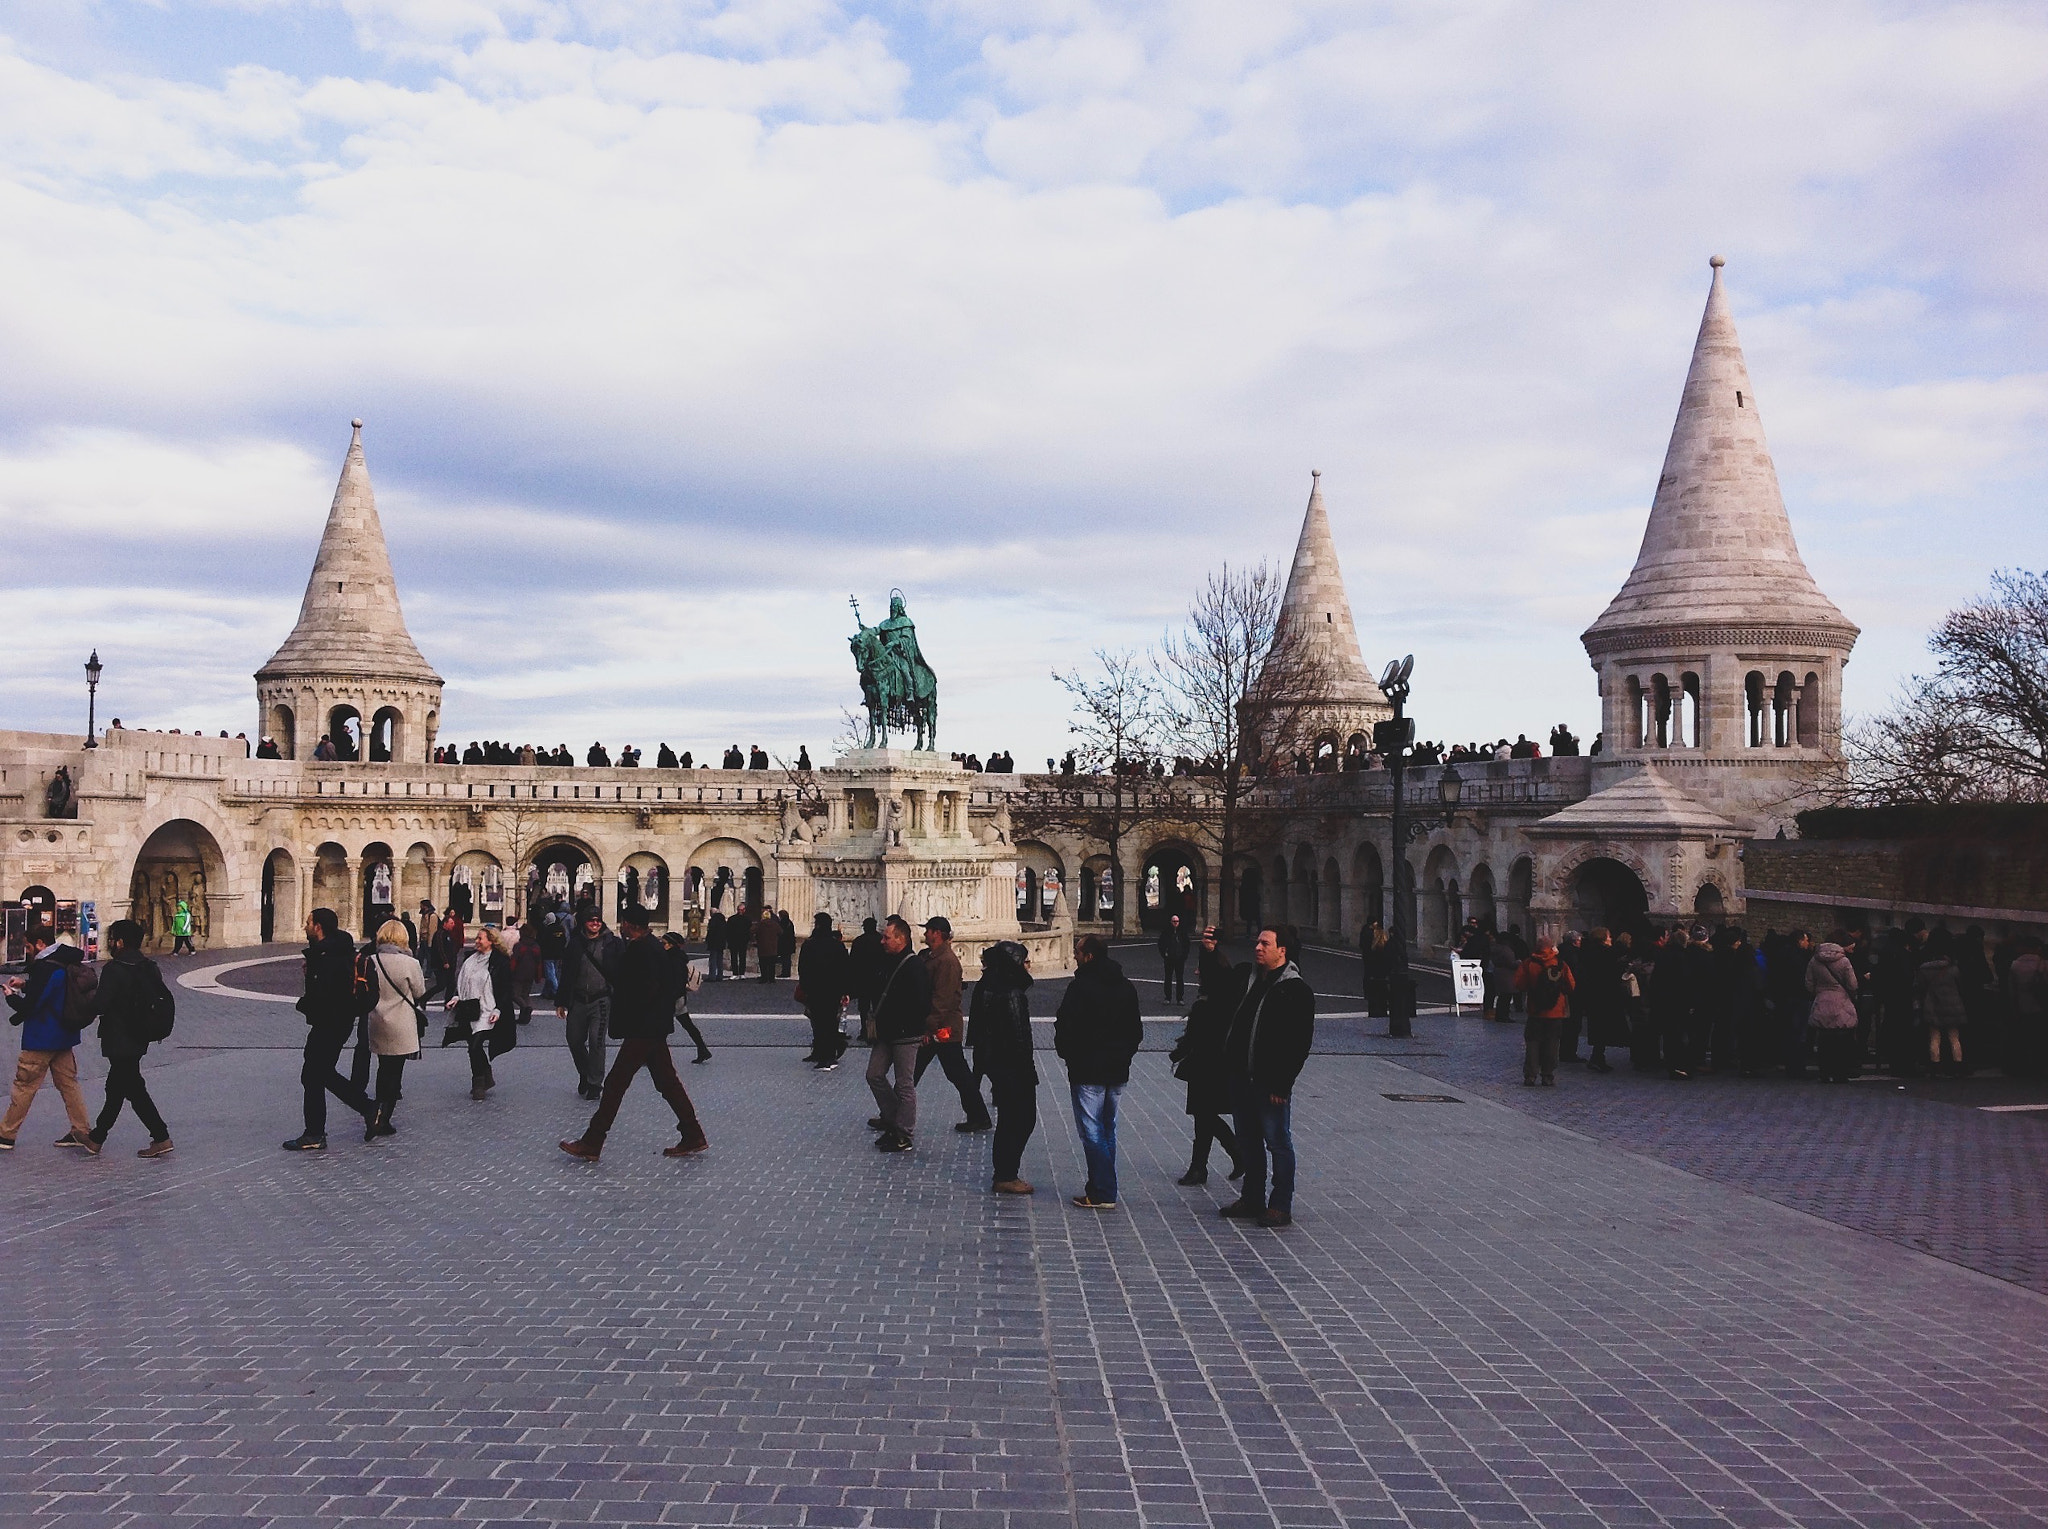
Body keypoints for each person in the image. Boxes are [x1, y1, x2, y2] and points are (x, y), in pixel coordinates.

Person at [559, 909, 709, 1162]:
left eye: (623, 923)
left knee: (616, 1083)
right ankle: (693, 1134)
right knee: (667, 1082)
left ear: (628, 924)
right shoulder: (653, 946)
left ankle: (593, 1141)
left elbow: (643, 989)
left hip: (644, 1028)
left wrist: (629, 1006)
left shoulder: (641, 950)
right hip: (654, 1027)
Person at [1218, 924, 1314, 1228]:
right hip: (1240, 1076)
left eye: (1265, 944)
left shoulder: (1295, 990)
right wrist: (1210, 953)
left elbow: (1299, 1043)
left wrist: (1282, 1083)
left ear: (1282, 951)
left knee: (1277, 1142)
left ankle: (1280, 1204)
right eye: (1257, 942)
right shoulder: (1251, 980)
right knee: (1248, 1141)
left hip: (1270, 1082)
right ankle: (1252, 1198)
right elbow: (1218, 983)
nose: (1258, 947)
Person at [1053, 933, 1143, 1210]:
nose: (1075, 957)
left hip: (1088, 1070)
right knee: (1107, 1129)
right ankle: (1101, 1187)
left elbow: (1065, 1025)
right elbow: (1135, 1031)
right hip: (1116, 1071)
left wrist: (1069, 1054)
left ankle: (1104, 1191)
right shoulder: (1126, 986)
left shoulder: (1080, 987)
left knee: (1092, 1131)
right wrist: (1123, 1056)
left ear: (1089, 956)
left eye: (1078, 952)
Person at [283, 909, 375, 1150]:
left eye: (308, 923)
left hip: (330, 1023)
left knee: (315, 1074)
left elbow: (326, 994)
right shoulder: (334, 951)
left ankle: (319, 1131)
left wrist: (305, 1003)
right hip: (335, 1022)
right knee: (316, 1074)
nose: (305, 927)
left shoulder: (328, 957)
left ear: (319, 927)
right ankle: (322, 1129)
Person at [2, 927, 96, 1151]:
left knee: (24, 1086)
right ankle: (81, 1130)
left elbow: (32, 1006)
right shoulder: (65, 959)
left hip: (41, 1037)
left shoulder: (44, 967)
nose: (28, 951)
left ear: (40, 943)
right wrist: (25, 984)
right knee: (69, 1085)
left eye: (28, 946)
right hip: (64, 1035)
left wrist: (11, 998)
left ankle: (6, 1134)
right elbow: (53, 989)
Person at [86, 919, 175, 1156]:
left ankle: (161, 1137)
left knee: (132, 1088)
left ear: (121, 942)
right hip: (140, 1036)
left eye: (113, 939)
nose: (112, 944)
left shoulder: (115, 969)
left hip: (118, 1037)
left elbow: (100, 1004)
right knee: (118, 1086)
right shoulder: (149, 966)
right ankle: (96, 1138)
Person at [1167, 925, 1240, 1186]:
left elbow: (1219, 974)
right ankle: (1201, 1167)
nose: (1196, 972)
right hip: (1208, 1065)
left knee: (1204, 1115)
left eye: (1201, 969)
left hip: (1209, 1066)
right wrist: (1208, 950)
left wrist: (1181, 1051)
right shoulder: (1215, 997)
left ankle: (1221, 1159)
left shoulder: (1216, 1001)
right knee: (1204, 1116)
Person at [968, 940, 1038, 1193]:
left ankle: (1005, 1171)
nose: (1028, 966)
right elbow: (1020, 1036)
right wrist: (1026, 1071)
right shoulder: (1012, 993)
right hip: (1013, 1067)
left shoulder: (988, 986)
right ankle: (1006, 1174)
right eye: (1025, 961)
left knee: (1010, 1118)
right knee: (1023, 1118)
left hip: (996, 1063)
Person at [915, 917, 992, 1130]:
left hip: (943, 1029)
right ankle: (893, 1112)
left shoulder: (946, 961)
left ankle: (979, 1116)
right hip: (941, 1027)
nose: (925, 934)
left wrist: (928, 1028)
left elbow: (943, 999)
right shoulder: (935, 957)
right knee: (918, 1070)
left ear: (938, 933)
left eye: (928, 930)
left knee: (955, 1072)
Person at [864, 916, 932, 1153]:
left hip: (906, 1034)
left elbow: (922, 1003)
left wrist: (909, 1023)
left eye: (886, 937)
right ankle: (894, 1119)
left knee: (904, 1084)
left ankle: (904, 1133)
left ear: (901, 939)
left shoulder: (914, 966)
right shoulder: (886, 961)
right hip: (885, 1033)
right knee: (874, 1074)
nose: (882, 941)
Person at [360, 919, 425, 1136]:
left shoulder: (371, 960)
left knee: (382, 1069)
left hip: (377, 1021)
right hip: (402, 1024)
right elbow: (419, 992)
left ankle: (377, 1111)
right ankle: (383, 1119)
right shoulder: (410, 964)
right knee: (394, 1072)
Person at [446, 926, 516, 1101]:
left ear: (491, 941)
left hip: (488, 1010)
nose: (476, 941)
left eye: (480, 938)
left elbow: (506, 989)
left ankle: (478, 1084)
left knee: (475, 1045)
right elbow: (462, 981)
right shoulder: (470, 959)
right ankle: (486, 1075)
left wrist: (499, 1009)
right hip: (470, 1009)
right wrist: (456, 997)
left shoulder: (500, 962)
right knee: (472, 1047)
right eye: (477, 938)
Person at [557, 909, 620, 1100]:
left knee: (596, 1041)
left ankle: (594, 1083)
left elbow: (622, 970)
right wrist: (561, 1002)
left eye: (598, 920)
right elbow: (566, 973)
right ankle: (585, 1072)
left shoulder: (612, 944)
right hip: (577, 999)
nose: (595, 923)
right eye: (591, 920)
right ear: (584, 922)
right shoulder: (575, 944)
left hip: (601, 1000)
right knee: (574, 1040)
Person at [1513, 937, 1575, 1086]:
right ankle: (1548, 1075)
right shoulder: (1560, 964)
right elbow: (1571, 986)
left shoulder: (1529, 963)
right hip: (1556, 1011)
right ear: (1552, 947)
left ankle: (1530, 1075)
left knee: (1533, 1042)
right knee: (1552, 1043)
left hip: (1536, 1010)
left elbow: (1519, 984)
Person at [1806, 932, 1862, 1083]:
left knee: (1824, 1040)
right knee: (1842, 1041)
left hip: (1822, 1000)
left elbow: (1809, 984)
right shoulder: (1844, 961)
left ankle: (1825, 1072)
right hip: (1841, 1002)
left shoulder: (1814, 960)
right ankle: (1840, 1073)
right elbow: (1852, 984)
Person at [797, 912, 850, 1068]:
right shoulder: (837, 945)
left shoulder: (809, 944)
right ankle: (826, 1054)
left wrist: (805, 987)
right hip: (832, 990)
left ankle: (824, 1054)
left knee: (818, 1023)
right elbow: (845, 969)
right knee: (829, 1022)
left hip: (815, 990)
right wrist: (845, 990)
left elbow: (803, 968)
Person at [1916, 927, 1968, 1076]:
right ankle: (1958, 1066)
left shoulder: (1924, 969)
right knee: (1954, 1037)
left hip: (1932, 1005)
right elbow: (1960, 986)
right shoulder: (1953, 969)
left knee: (1934, 1037)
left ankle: (1935, 1066)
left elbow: (1921, 987)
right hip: (1953, 1004)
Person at [660, 932, 712, 1063]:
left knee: (660, 1028)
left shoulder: (673, 959)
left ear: (671, 945)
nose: (662, 946)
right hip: (677, 997)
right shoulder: (677, 957)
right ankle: (703, 1049)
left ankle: (652, 1056)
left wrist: (670, 997)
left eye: (664, 943)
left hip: (673, 998)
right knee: (687, 1025)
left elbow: (676, 981)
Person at [1576, 927, 1622, 1073]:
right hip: (1604, 995)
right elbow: (1612, 973)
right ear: (1603, 938)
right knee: (1602, 1027)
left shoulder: (1588, 952)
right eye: (1608, 936)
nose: (1611, 939)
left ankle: (1597, 1057)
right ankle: (1597, 1058)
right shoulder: (1605, 954)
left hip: (1592, 994)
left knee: (1598, 1026)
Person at [848, 917, 884, 1040]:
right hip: (878, 979)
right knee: (877, 1006)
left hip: (863, 980)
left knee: (864, 1008)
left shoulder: (859, 941)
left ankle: (864, 1031)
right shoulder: (881, 941)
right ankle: (877, 1031)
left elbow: (852, 962)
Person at [510, 922, 542, 1024]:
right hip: (531, 973)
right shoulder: (536, 946)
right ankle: (525, 1013)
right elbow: (539, 962)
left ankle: (525, 1008)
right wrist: (538, 975)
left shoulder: (519, 946)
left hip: (519, 973)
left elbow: (514, 961)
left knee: (515, 994)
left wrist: (510, 972)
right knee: (525, 994)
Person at [1158, 914, 1191, 1003]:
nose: (1175, 923)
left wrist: (1184, 956)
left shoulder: (1182, 932)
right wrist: (1164, 955)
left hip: (1179, 959)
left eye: (1177, 921)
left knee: (1179, 979)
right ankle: (1168, 997)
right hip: (1169, 959)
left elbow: (1187, 945)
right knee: (1168, 978)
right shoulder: (1166, 932)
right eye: (1174, 921)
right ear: (1171, 922)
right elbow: (1161, 944)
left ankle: (1180, 998)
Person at [754, 906, 781, 984]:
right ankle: (772, 979)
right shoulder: (775, 924)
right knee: (772, 964)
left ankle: (764, 978)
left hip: (763, 947)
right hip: (773, 947)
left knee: (763, 964)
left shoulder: (760, 924)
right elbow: (781, 932)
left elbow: (752, 930)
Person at [725, 904, 751, 979]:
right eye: (739, 910)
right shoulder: (732, 919)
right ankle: (735, 973)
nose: (740, 911)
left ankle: (742, 973)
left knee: (742, 958)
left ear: (744, 910)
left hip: (742, 941)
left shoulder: (747, 919)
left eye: (742, 910)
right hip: (734, 941)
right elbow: (728, 931)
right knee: (734, 958)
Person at [704, 908, 726, 981]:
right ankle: (720, 975)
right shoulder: (723, 920)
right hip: (721, 942)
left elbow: (711, 932)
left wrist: (707, 940)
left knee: (713, 959)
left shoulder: (713, 920)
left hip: (714, 942)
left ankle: (712, 976)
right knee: (720, 959)